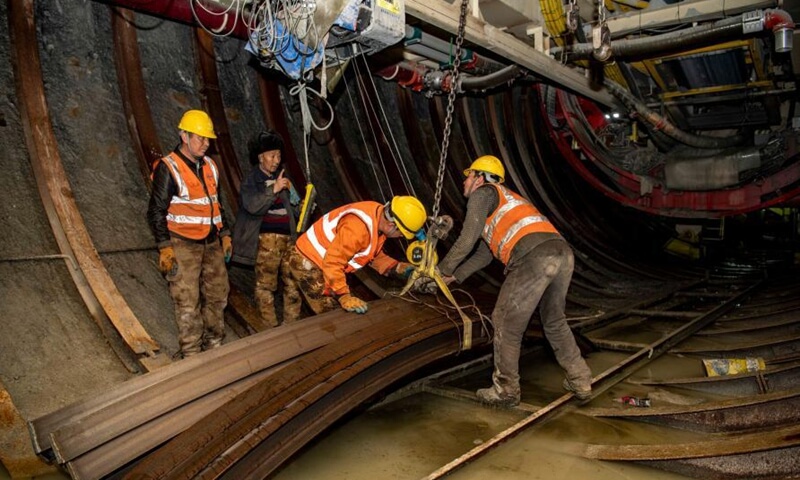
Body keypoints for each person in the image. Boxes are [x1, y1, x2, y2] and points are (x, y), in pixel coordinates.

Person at [435, 155, 592, 406]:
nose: (464, 180)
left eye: (469, 175)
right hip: (562, 253)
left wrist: (438, 270)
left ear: (480, 178)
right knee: (553, 320)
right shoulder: (506, 205)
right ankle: (581, 379)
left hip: (533, 257)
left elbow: (467, 239)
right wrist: (454, 276)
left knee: (505, 322)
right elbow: (484, 255)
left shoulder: (484, 194)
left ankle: (505, 391)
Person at [146, 109, 232, 359]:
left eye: (208, 139)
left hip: (211, 242)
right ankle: (192, 354)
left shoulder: (210, 166)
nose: (206, 144)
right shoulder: (169, 167)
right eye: (200, 138)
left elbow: (216, 203)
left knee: (218, 295)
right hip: (182, 245)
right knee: (187, 301)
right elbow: (155, 211)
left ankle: (214, 344)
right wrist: (164, 246)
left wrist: (224, 233)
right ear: (184, 136)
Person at [286, 196, 425, 316]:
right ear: (391, 225)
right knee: (332, 313)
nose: (400, 237)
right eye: (401, 233)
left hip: (324, 262)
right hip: (307, 261)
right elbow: (333, 262)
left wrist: (396, 267)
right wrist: (344, 296)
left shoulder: (377, 214)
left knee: (293, 303)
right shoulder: (357, 228)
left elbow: (369, 252)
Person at [231, 130, 301, 327]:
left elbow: (292, 211)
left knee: (293, 282)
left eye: (278, 155)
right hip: (267, 240)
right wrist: (274, 189)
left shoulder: (282, 179)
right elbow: (252, 205)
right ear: (260, 157)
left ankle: (292, 325)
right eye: (272, 155)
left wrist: (301, 204)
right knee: (266, 285)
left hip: (288, 239)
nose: (276, 160)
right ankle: (269, 328)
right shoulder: (252, 180)